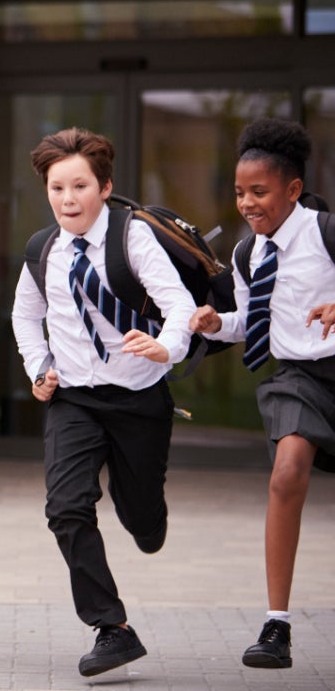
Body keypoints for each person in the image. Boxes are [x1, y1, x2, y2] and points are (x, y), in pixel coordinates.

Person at [10, 127, 195, 677]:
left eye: (80, 187)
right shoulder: (43, 249)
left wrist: (166, 346)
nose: (68, 200)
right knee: (65, 508)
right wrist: (39, 366)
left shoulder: (133, 239)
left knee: (139, 514)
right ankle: (111, 627)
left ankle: (148, 519)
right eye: (57, 188)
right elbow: (25, 316)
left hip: (139, 399)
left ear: (105, 187)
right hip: (74, 400)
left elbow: (178, 306)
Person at [190, 117, 335, 670]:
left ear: (292, 190)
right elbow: (255, 320)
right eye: (238, 192)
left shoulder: (325, 232)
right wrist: (214, 323)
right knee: (286, 472)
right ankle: (277, 626)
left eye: (259, 191)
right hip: (300, 377)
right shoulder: (250, 254)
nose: (246, 203)